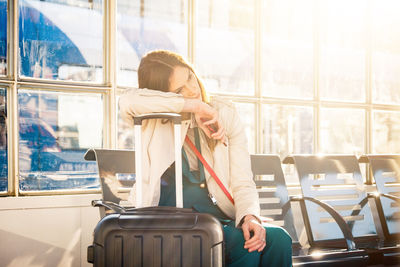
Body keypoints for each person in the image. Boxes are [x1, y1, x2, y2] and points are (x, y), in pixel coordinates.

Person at [119, 50, 292, 267]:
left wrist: (250, 217)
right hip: (165, 222)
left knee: (279, 239)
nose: (193, 90)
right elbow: (127, 100)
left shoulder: (225, 114)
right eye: (180, 89)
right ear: (164, 94)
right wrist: (196, 106)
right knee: (243, 246)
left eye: (190, 77)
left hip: (215, 219)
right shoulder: (150, 119)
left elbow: (242, 181)